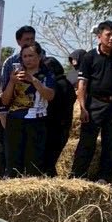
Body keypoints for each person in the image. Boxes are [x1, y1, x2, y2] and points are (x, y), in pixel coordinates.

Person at [70, 24, 112, 183]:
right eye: (108, 35)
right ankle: (77, 176)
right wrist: (83, 108)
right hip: (94, 104)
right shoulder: (90, 57)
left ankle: (104, 177)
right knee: (87, 142)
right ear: (99, 37)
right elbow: (82, 85)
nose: (111, 38)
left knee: (111, 143)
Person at [0, 40, 56, 177]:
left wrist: (33, 80)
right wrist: (12, 82)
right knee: (13, 161)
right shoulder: (15, 75)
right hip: (15, 121)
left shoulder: (46, 75)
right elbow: (5, 101)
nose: (28, 59)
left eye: (31, 56)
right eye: (25, 56)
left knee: (33, 162)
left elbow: (50, 96)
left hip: (37, 122)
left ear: (39, 57)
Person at [40, 47, 74, 176]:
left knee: (47, 162)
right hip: (64, 126)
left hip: (53, 126)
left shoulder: (56, 85)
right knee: (50, 161)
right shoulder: (68, 84)